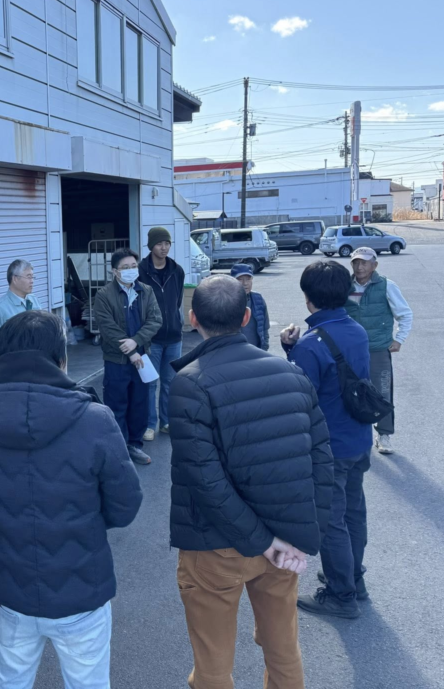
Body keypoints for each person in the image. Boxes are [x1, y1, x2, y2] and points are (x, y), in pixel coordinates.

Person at [0, 310, 142, 689]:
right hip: (81, 588)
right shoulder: (94, 418)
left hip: (9, 587)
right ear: (61, 359)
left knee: (9, 681)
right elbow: (125, 505)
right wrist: (83, 519)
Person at [168, 275, 333, 689]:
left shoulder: (191, 381)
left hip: (217, 544)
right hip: (285, 540)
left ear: (193, 320)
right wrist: (305, 535)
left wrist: (260, 540)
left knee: (213, 662)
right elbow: (321, 461)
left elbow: (205, 479)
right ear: (246, 317)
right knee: (283, 648)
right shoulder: (291, 373)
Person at [281, 261, 373, 619]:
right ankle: (354, 579)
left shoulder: (311, 344)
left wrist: (290, 350)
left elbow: (300, 397)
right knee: (354, 511)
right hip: (358, 438)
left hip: (329, 445)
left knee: (331, 521)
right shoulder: (356, 330)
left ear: (308, 298)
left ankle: (340, 594)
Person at [92, 248, 162, 466]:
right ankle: (118, 449)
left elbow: (155, 320)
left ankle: (134, 445)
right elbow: (107, 327)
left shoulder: (146, 291)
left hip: (142, 359)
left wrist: (137, 341)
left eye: (133, 266)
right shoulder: (104, 295)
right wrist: (131, 351)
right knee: (117, 404)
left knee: (139, 404)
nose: (131, 270)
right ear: (115, 271)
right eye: (125, 267)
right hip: (117, 360)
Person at [345, 247, 413, 455]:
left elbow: (405, 314)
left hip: (377, 349)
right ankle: (353, 434)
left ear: (374, 265)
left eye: (364, 263)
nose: (360, 267)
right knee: (348, 392)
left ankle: (384, 435)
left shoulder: (386, 286)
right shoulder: (344, 286)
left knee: (382, 393)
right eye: (356, 262)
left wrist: (399, 339)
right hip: (350, 351)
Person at [138, 226, 186, 441]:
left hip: (174, 336)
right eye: (159, 243)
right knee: (150, 383)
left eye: (167, 243)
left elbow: (177, 301)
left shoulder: (177, 270)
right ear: (151, 246)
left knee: (170, 382)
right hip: (151, 339)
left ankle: (166, 422)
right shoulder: (141, 271)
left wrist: (175, 322)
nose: (164, 247)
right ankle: (149, 424)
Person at [0, 259, 41, 369]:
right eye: (28, 277)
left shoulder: (34, 301)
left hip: (36, 366)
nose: (32, 281)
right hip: (13, 370)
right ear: (15, 279)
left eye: (33, 277)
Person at [231, 263, 270, 350]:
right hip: (234, 351)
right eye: (240, 279)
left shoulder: (258, 299)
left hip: (256, 350)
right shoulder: (227, 301)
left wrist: (264, 347)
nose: (245, 283)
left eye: (248, 279)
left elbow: (265, 327)